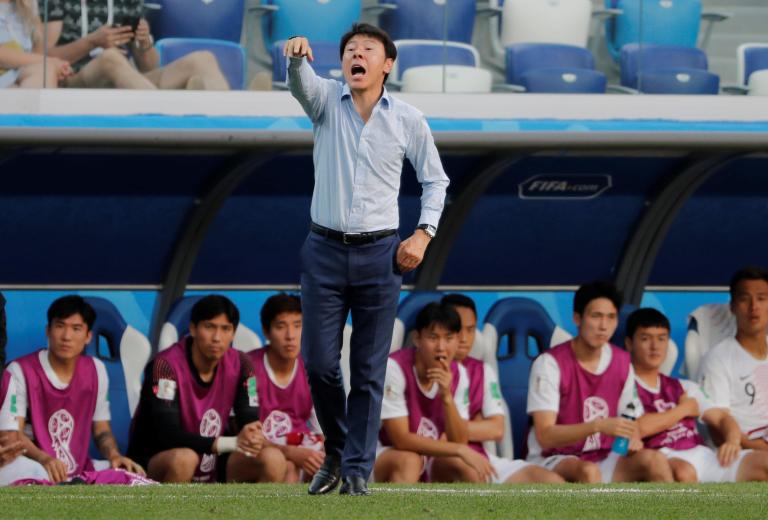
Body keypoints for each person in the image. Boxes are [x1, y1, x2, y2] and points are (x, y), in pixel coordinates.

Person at [285, 23, 450, 496]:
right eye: (350, 50)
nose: (356, 55)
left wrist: (423, 234)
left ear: (387, 64)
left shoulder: (408, 119)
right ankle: (337, 451)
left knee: (369, 370)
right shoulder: (325, 102)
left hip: (382, 254)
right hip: (323, 251)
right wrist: (297, 59)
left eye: (367, 50)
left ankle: (357, 470)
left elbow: (435, 181)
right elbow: (302, 84)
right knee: (319, 364)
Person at [526, 281, 673, 483]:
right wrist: (597, 426)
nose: (604, 326)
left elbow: (631, 418)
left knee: (655, 460)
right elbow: (545, 435)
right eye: (596, 316)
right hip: (553, 458)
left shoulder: (622, 361)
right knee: (588, 472)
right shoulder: (549, 364)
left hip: (603, 455)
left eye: (611, 317)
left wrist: (633, 437)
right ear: (577, 318)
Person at [128, 295, 268, 483]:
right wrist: (231, 443)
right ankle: (164, 512)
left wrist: (252, 434)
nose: (217, 338)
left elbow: (248, 416)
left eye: (226, 329)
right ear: (193, 329)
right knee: (184, 459)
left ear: (233, 333)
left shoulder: (243, 363)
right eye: (209, 327)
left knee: (271, 459)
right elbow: (168, 434)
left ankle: (253, 513)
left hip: (214, 465)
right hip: (154, 464)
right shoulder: (164, 366)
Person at [6, 295, 144, 483]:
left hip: (80, 467)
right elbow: (13, 434)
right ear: (48, 330)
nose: (66, 336)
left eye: (76, 328)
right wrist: (44, 459)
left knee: (132, 477)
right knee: (25, 475)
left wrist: (114, 456)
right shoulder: (19, 370)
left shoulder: (96, 370)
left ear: (88, 336)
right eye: (60, 326)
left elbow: (101, 430)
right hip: (33, 465)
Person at [627, 307, 768, 482]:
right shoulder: (625, 387)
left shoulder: (683, 386)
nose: (655, 346)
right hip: (662, 457)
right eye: (645, 338)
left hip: (704, 456)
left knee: (764, 463)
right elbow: (638, 428)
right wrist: (683, 410)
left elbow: (722, 419)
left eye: (662, 339)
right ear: (629, 343)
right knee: (684, 472)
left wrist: (732, 441)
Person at [442, 294, 564, 484]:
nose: (465, 338)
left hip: (479, 456)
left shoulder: (481, 370)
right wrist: (476, 424)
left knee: (550, 482)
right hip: (438, 456)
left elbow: (496, 429)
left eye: (471, 329)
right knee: (468, 470)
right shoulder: (423, 366)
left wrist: (456, 429)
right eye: (458, 330)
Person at [373, 302, 494, 484]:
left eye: (448, 338)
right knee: (409, 461)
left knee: (467, 467)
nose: (441, 347)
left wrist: (447, 397)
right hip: (381, 452)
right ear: (417, 339)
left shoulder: (459, 374)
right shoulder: (394, 367)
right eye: (433, 337)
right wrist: (460, 450)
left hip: (429, 455)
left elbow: (459, 439)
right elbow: (400, 439)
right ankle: (396, 513)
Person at [40, 0, 229, 89]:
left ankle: (230, 119)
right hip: (74, 82)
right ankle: (163, 114)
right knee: (110, 59)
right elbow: (43, 56)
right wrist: (91, 42)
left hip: (127, 81)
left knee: (204, 59)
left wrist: (143, 43)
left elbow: (150, 66)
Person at [247, 293, 325, 483]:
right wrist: (291, 453)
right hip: (254, 452)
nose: (290, 336)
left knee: (327, 465)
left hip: (302, 447)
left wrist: (321, 455)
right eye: (281, 327)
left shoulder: (313, 369)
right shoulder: (248, 369)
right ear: (266, 331)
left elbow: (321, 433)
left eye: (297, 326)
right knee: (285, 465)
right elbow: (245, 433)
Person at [700, 266, 768, 451]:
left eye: (761, 298)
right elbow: (718, 433)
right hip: (745, 452)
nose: (754, 307)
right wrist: (759, 448)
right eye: (745, 299)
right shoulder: (717, 359)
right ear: (732, 307)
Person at [0, 0, 70, 88]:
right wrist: (49, 61)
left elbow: (34, 52)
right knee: (46, 69)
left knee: (46, 70)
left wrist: (58, 66)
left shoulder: (28, 6)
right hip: (8, 80)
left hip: (19, 77)